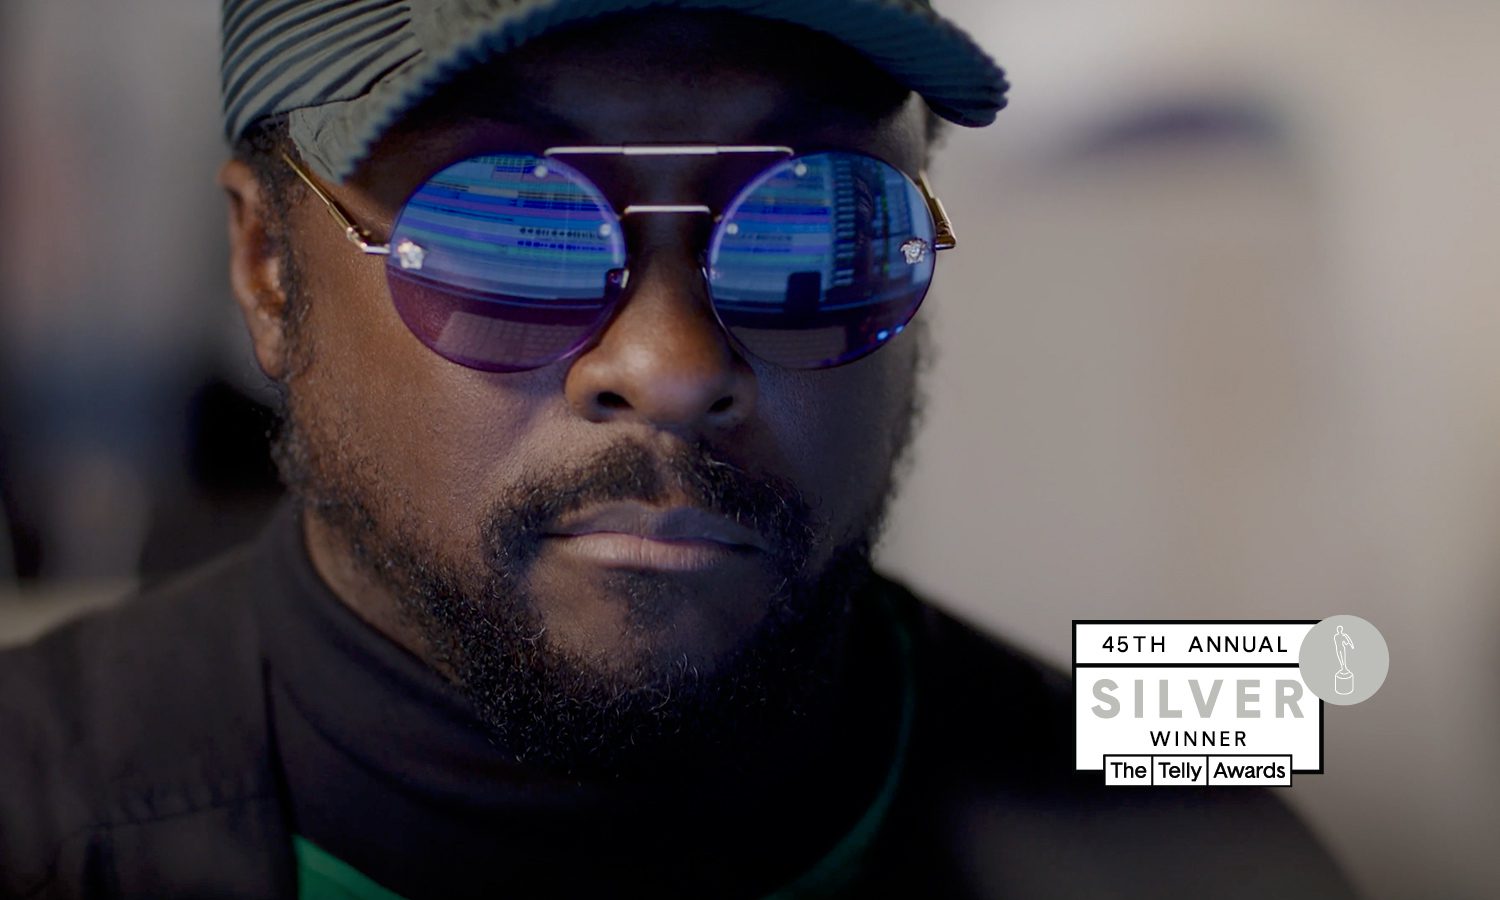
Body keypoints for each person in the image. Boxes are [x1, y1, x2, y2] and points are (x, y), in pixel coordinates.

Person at [0, 2, 1360, 897]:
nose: (673, 364)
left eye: (813, 218)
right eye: (513, 226)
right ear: (267, 267)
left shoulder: (1186, 843)